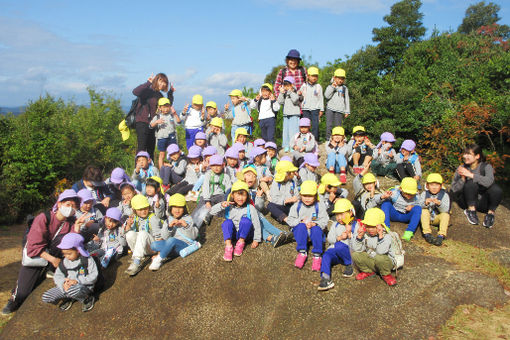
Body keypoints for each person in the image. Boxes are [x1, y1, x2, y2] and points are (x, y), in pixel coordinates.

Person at [3, 190, 82, 315]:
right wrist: (52, 260)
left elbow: (72, 244)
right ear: (59, 203)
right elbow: (33, 246)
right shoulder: (43, 218)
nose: (71, 208)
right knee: (24, 292)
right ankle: (14, 300)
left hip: (55, 256)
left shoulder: (71, 222)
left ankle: (49, 270)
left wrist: (77, 228)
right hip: (37, 256)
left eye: (74, 206)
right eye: (68, 204)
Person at [41, 233, 98, 312]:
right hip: (67, 287)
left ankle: (86, 298)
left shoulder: (87, 260)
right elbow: (58, 276)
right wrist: (63, 283)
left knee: (73, 290)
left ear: (78, 251)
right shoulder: (64, 262)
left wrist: (77, 281)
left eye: (69, 253)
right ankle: (70, 297)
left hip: (83, 286)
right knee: (46, 297)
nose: (67, 256)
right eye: (64, 254)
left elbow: (94, 276)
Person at [450, 144, 503, 228]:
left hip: (483, 202)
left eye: (468, 154)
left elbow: (489, 182)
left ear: (477, 156)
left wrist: (471, 175)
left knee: (496, 189)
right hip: (466, 201)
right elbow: (453, 189)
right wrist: (463, 179)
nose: (465, 156)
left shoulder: (487, 167)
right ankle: (471, 211)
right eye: (464, 154)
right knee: (471, 183)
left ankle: (490, 214)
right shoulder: (461, 168)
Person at [210, 181, 262, 261]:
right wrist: (221, 205)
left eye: (243, 195)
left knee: (246, 221)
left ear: (247, 196)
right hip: (233, 235)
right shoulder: (228, 208)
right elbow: (212, 212)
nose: (240, 198)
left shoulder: (250, 208)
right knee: (226, 223)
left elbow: (256, 223)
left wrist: (256, 239)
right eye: (238, 194)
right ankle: (228, 247)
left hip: (246, 235)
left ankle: (240, 243)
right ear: (232, 195)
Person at [149, 194, 199, 270]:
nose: (177, 210)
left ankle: (158, 259)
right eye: (175, 207)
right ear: (170, 208)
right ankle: (165, 252)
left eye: (180, 207)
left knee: (171, 240)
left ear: (184, 208)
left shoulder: (188, 219)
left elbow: (193, 236)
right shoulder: (168, 220)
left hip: (184, 245)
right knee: (154, 245)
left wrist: (186, 226)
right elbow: (165, 237)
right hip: (172, 247)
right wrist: (169, 227)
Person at [287, 181, 329, 271]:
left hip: (314, 232)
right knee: (301, 227)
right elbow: (290, 220)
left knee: (316, 229)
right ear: (300, 195)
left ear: (315, 196)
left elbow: (324, 220)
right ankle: (302, 252)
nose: (307, 199)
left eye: (310, 196)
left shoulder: (319, 206)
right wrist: (300, 221)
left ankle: (317, 255)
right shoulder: (296, 206)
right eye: (305, 196)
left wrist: (315, 223)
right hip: (301, 233)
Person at [351, 208, 398, 286]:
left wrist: (380, 236)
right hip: (372, 260)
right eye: (368, 226)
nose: (370, 229)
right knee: (355, 255)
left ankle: (386, 274)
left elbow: (381, 252)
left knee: (380, 258)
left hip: (385, 262)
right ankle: (368, 271)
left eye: (373, 227)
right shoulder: (365, 234)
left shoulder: (386, 235)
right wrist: (359, 236)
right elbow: (357, 249)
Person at [133, 73, 173, 160]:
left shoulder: (159, 95)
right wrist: (148, 83)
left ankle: (150, 171)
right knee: (141, 149)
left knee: (151, 150)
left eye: (165, 82)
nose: (163, 84)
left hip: (153, 124)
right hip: (142, 122)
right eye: (160, 81)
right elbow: (135, 92)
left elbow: (166, 106)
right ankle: (138, 171)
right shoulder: (147, 91)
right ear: (156, 80)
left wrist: (170, 93)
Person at [124, 194, 167, 276]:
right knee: (129, 234)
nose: (143, 211)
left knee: (142, 233)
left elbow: (159, 237)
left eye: (145, 208)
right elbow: (129, 236)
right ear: (134, 210)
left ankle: (136, 261)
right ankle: (137, 256)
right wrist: (129, 225)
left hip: (154, 246)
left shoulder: (152, 218)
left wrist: (159, 255)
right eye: (140, 209)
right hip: (144, 247)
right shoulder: (136, 218)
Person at [318, 199, 356, 291]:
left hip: (349, 252)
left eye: (342, 214)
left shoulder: (355, 224)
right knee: (326, 255)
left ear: (350, 213)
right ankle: (325, 277)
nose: (339, 217)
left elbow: (358, 243)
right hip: (336, 250)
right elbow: (330, 239)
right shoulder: (335, 225)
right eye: (337, 215)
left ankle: (349, 264)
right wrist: (338, 238)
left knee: (339, 246)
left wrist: (350, 234)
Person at [381, 177, 423, 242]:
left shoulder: (417, 197)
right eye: (406, 193)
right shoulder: (394, 193)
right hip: (395, 213)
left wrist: (413, 206)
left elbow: (422, 205)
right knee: (386, 203)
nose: (409, 196)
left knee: (418, 208)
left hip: (406, 215)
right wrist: (386, 196)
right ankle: (386, 228)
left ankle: (409, 232)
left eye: (411, 194)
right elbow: (383, 199)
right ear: (401, 189)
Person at [419, 173, 450, 246]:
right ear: (427, 185)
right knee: (423, 211)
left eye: (437, 185)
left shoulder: (444, 195)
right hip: (427, 217)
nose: (434, 187)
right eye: (432, 185)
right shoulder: (424, 194)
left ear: (441, 185)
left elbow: (446, 209)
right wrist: (425, 203)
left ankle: (441, 235)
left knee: (445, 215)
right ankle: (427, 234)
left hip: (437, 217)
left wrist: (439, 204)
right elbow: (418, 206)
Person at [150, 97, 181, 169]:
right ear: (159, 108)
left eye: (168, 107)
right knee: (162, 154)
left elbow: (179, 123)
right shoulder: (157, 116)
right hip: (161, 137)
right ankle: (161, 170)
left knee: (174, 152)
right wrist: (157, 122)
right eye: (164, 107)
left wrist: (175, 114)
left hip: (172, 136)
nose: (166, 109)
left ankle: (175, 168)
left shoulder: (172, 115)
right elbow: (150, 126)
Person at [267, 160, 299, 225]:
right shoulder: (276, 182)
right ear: (286, 173)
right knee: (270, 205)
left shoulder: (292, 182)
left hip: (292, 206)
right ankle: (287, 219)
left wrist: (296, 199)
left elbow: (296, 194)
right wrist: (285, 201)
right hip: (282, 205)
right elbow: (274, 198)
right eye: (292, 172)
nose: (294, 173)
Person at [278, 76, 302, 152]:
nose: (286, 87)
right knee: (286, 132)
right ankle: (286, 145)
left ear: (292, 85)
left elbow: (295, 100)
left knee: (294, 131)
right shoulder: (284, 94)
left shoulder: (296, 92)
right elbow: (280, 102)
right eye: (285, 85)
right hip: (286, 114)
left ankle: (293, 146)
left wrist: (290, 92)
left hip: (294, 114)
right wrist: (281, 93)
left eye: (288, 85)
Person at [299, 66, 324, 142]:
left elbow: (321, 98)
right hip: (305, 109)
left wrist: (321, 109)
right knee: (306, 125)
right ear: (308, 76)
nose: (314, 78)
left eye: (316, 76)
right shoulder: (304, 86)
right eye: (312, 76)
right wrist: (299, 94)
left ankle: (315, 141)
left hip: (315, 109)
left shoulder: (318, 86)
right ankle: (306, 140)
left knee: (315, 126)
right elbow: (299, 96)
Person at [324, 68, 350, 140]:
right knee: (329, 125)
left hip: (339, 110)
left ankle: (338, 139)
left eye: (342, 78)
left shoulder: (345, 88)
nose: (340, 80)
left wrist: (347, 111)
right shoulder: (330, 86)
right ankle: (328, 139)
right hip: (330, 109)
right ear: (334, 78)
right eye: (338, 78)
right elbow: (326, 96)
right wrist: (333, 87)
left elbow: (347, 100)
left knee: (338, 126)